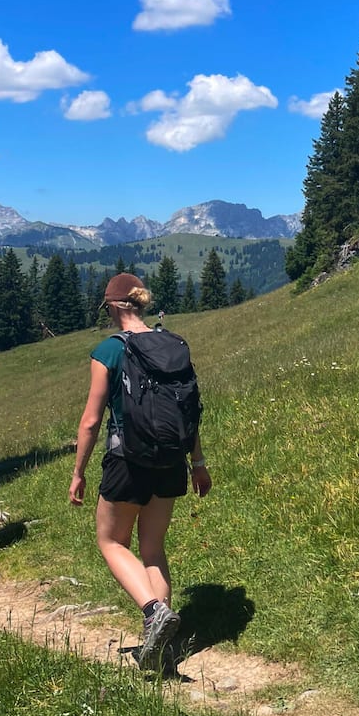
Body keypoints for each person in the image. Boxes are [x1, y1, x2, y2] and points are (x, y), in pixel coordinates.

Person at [68, 272, 211, 669]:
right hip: (171, 461)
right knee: (153, 549)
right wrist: (197, 463)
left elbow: (91, 420)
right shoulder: (173, 346)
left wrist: (78, 472)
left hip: (127, 460)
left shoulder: (109, 351)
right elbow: (188, 410)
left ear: (114, 306)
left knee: (111, 542)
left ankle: (153, 612)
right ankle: (162, 649)